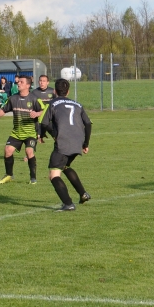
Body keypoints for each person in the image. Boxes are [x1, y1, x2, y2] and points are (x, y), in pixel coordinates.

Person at [38, 78, 92, 211]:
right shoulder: (77, 104)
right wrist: (85, 143)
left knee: (54, 175)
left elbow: (44, 123)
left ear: (55, 91)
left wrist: (43, 134)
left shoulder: (52, 103)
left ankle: (68, 204)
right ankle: (83, 193)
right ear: (68, 92)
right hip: (77, 140)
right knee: (65, 166)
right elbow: (88, 123)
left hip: (63, 141)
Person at [0, 75, 43, 184]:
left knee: (29, 151)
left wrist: (37, 113)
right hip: (16, 132)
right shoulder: (13, 98)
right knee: (8, 150)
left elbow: (44, 111)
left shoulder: (34, 99)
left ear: (28, 85)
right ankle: (9, 175)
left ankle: (33, 178)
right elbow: (4, 109)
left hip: (31, 132)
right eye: (18, 82)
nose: (18, 83)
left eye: (21, 82)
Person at [30, 74, 56, 141]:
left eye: (44, 81)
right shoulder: (34, 93)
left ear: (48, 82)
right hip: (38, 120)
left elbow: (56, 105)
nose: (42, 82)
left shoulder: (53, 92)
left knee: (57, 138)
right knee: (35, 139)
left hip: (50, 120)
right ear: (38, 82)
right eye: (40, 81)